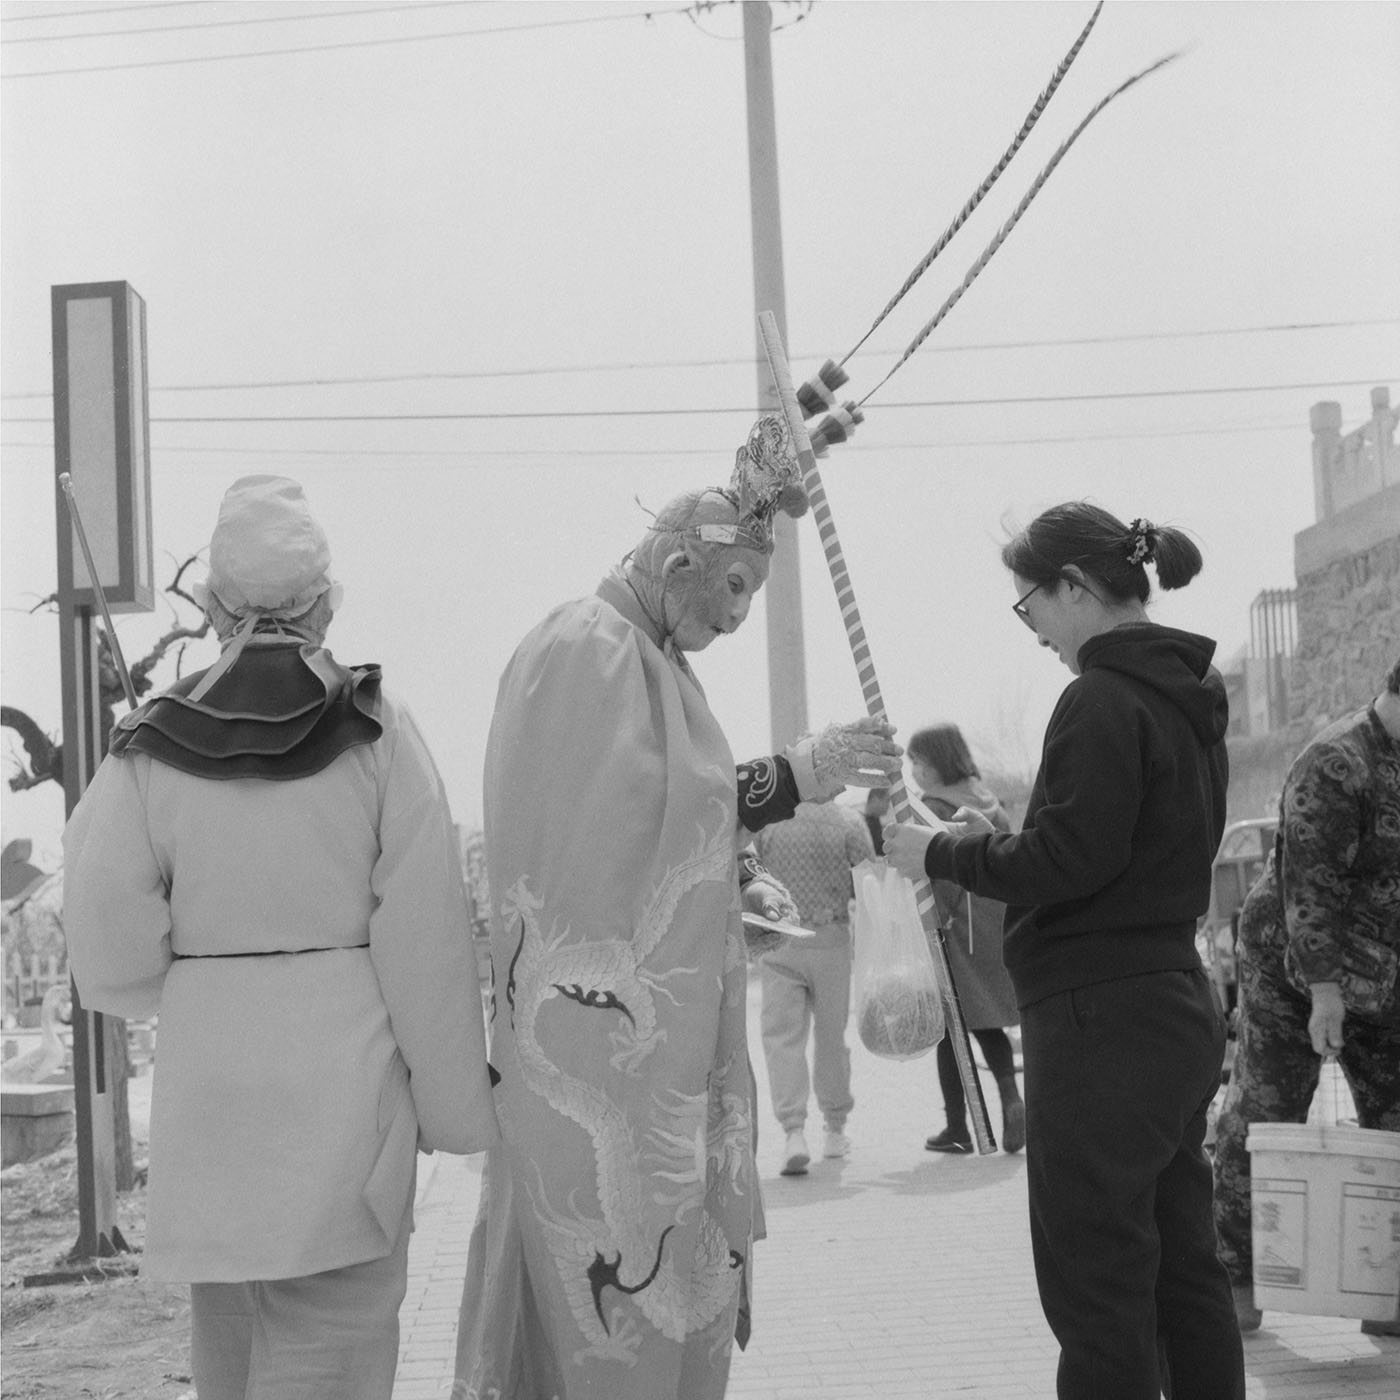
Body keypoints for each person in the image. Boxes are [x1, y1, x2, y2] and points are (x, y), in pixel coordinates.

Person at [453, 415, 901, 1400]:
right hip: (594, 1051)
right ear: (674, 561)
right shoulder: (587, 648)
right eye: (733, 586)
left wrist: (741, 866)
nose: (737, 617)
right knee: (605, 1288)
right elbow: (615, 836)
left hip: (640, 1056)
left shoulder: (647, 657)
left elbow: (661, 827)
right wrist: (793, 775)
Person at [61, 476, 500, 1400]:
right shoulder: (379, 729)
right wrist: (456, 1112)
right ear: (326, 603)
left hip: (213, 1106)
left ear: (211, 604)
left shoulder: (146, 742)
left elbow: (107, 950)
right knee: (334, 1356)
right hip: (345, 1104)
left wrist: (196, 980)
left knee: (231, 1359)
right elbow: (426, 945)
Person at [884, 503, 1245, 1399]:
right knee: (1184, 1270)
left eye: (1031, 605)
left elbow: (1068, 857)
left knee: (1099, 1286)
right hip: (1172, 998)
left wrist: (941, 852)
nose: (1035, 630)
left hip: (1099, 1019)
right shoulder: (1189, 693)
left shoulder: (1101, 698)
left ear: (1075, 586)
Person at [1213, 655, 1400, 1336]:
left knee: (1395, 1122)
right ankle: (1235, 1279)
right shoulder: (1337, 764)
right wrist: (1324, 990)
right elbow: (1310, 890)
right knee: (1266, 1114)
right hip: (1294, 971)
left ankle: (1382, 1290)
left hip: (1384, 977)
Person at [906, 723, 1023, 1155]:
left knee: (949, 1026)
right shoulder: (987, 799)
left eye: (918, 762)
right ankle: (1011, 1098)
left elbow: (921, 863)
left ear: (938, 761)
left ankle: (957, 1126)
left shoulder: (933, 807)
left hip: (953, 926)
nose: (915, 771)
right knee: (986, 1019)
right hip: (993, 923)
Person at [752, 799, 874, 1174]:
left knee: (782, 1039)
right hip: (831, 940)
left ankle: (793, 1132)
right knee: (831, 1037)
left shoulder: (768, 823)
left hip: (780, 939)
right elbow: (869, 881)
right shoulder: (848, 822)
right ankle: (835, 1129)